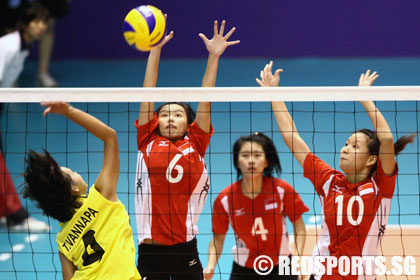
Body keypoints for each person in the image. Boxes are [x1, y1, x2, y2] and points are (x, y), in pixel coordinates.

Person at [258, 62, 415, 280]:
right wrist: (273, 95)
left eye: (355, 146)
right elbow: (292, 138)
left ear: (372, 159)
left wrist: (364, 98)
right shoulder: (328, 180)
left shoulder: (381, 185)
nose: (345, 149)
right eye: (346, 143)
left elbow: (386, 139)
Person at [135, 20, 239, 279]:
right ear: (156, 121)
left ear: (189, 122)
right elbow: (148, 91)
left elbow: (206, 96)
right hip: (150, 252)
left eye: (178, 114)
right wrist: (155, 51)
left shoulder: (196, 142)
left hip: (185, 249)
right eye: (165, 114)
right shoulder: (147, 139)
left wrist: (213, 57)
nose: (170, 118)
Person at [22, 102, 141, 280]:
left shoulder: (63, 241)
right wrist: (68, 111)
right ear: (74, 188)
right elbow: (110, 136)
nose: (76, 172)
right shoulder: (101, 198)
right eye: (72, 172)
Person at [203, 132, 309, 280]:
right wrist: (211, 264)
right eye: (245, 156)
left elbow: (299, 226)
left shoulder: (281, 189)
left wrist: (298, 258)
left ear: (266, 162)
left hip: (281, 263)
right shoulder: (225, 198)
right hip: (244, 267)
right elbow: (218, 239)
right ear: (237, 162)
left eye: (257, 155)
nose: (251, 161)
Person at [0, 1, 49, 87]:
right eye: (36, 22)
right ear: (24, 24)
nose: (41, 27)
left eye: (44, 22)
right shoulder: (9, 46)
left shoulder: (25, 47)